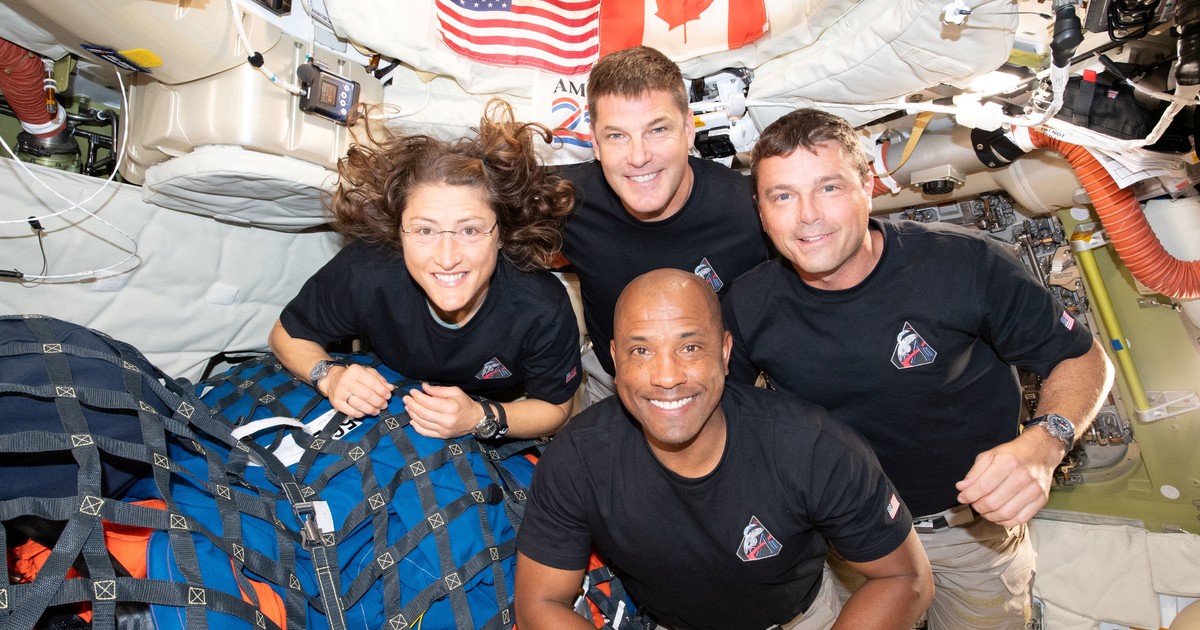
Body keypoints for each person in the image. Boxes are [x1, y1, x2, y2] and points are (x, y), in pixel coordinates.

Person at [721, 108, 1116, 629]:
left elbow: (1081, 356)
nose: (807, 216)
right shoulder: (747, 304)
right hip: (843, 539)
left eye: (829, 188)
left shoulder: (964, 265)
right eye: (783, 196)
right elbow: (721, 415)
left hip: (969, 537)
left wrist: (1045, 444)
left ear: (868, 186)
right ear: (761, 210)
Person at [515, 269, 933, 630]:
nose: (666, 377)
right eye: (641, 350)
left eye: (690, 347)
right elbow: (540, 604)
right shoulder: (577, 460)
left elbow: (904, 578)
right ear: (615, 360)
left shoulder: (811, 445)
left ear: (725, 352)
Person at [269, 100, 583, 440]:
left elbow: (555, 408)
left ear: (502, 234)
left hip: (491, 410)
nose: (447, 258)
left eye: (469, 230)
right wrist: (329, 376)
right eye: (424, 231)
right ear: (398, 233)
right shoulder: (365, 270)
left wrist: (478, 418)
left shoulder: (542, 307)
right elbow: (286, 334)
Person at [557, 45, 768, 407]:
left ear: (688, 129)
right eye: (617, 135)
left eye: (657, 129)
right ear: (595, 143)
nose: (639, 156)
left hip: (724, 392)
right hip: (613, 388)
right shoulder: (565, 200)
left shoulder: (747, 209)